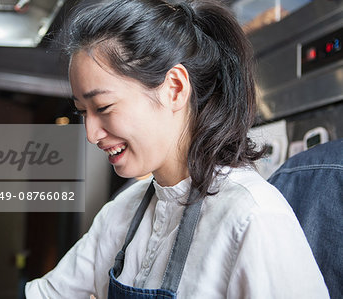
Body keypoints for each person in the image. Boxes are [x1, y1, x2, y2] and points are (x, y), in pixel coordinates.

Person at [26, 0, 329, 298]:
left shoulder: (253, 217)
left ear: (174, 89)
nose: (92, 134)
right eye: (83, 112)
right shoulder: (122, 212)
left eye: (103, 107)